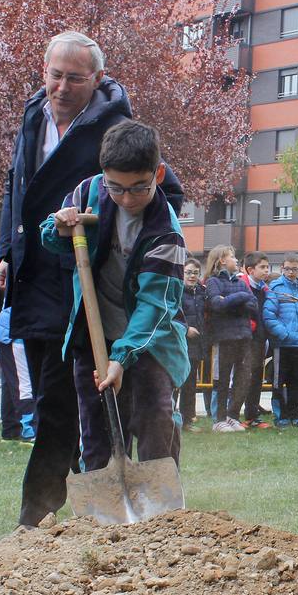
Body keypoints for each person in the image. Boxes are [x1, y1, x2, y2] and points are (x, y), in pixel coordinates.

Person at [0, 30, 182, 526]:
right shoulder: (43, 128)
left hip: (127, 322)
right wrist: (25, 245)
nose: (60, 86)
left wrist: (122, 354)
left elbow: (156, 302)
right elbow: (27, 202)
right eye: (54, 74)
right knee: (81, 413)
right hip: (69, 307)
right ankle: (77, 519)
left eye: (74, 78)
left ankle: (163, 524)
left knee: (151, 416)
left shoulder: (158, 220)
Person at [40, 120, 189, 469]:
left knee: (155, 425)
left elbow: (154, 308)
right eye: (116, 188)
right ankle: (100, 519)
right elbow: (50, 236)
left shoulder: (167, 234)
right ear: (104, 175)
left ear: (159, 174)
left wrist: (121, 359)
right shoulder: (87, 193)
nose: (126, 199)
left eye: (139, 188)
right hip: (94, 338)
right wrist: (58, 227)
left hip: (152, 344)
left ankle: (162, 515)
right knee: (96, 435)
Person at [204, 245, 255, 432]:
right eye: (232, 256)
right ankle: (219, 419)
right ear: (222, 260)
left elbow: (253, 305)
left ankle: (232, 415)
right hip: (225, 338)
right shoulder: (213, 281)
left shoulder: (241, 282)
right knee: (222, 379)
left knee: (243, 378)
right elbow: (217, 304)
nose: (236, 260)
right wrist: (241, 298)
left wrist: (232, 301)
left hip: (244, 337)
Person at [264, 254, 298, 427]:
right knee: (279, 381)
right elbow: (269, 316)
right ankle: (281, 416)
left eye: (294, 268)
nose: (291, 272)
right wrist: (284, 334)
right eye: (287, 269)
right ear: (282, 269)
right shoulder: (275, 287)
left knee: (297, 382)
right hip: (282, 344)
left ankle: (295, 415)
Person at [238, 252, 272, 429]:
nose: (266, 270)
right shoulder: (241, 285)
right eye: (263, 267)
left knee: (257, 377)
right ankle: (233, 415)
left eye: (268, 267)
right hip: (245, 338)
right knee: (243, 377)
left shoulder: (264, 289)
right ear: (250, 269)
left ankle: (253, 416)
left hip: (260, 339)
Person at [0, 305, 36, 441]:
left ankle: (10, 429)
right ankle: (29, 429)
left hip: (16, 329)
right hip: (16, 334)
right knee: (23, 384)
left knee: (12, 382)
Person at [177, 259, 209, 429]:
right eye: (188, 272)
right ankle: (169, 419)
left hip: (196, 344)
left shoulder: (202, 292)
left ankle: (187, 420)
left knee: (190, 384)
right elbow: (172, 315)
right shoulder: (177, 291)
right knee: (175, 383)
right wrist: (185, 329)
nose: (192, 276)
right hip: (179, 342)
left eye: (195, 272)